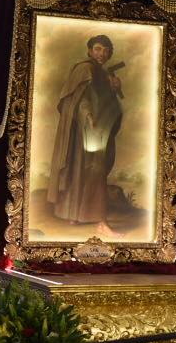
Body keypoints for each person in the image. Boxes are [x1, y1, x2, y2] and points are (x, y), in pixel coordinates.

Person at [49, 34, 124, 233]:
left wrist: (114, 89)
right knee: (89, 169)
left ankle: (76, 214)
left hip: (97, 129)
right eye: (98, 49)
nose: (102, 53)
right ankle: (101, 222)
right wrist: (88, 116)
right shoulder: (85, 69)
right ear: (90, 50)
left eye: (106, 51)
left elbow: (106, 103)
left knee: (86, 170)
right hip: (86, 129)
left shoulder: (102, 74)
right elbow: (78, 99)